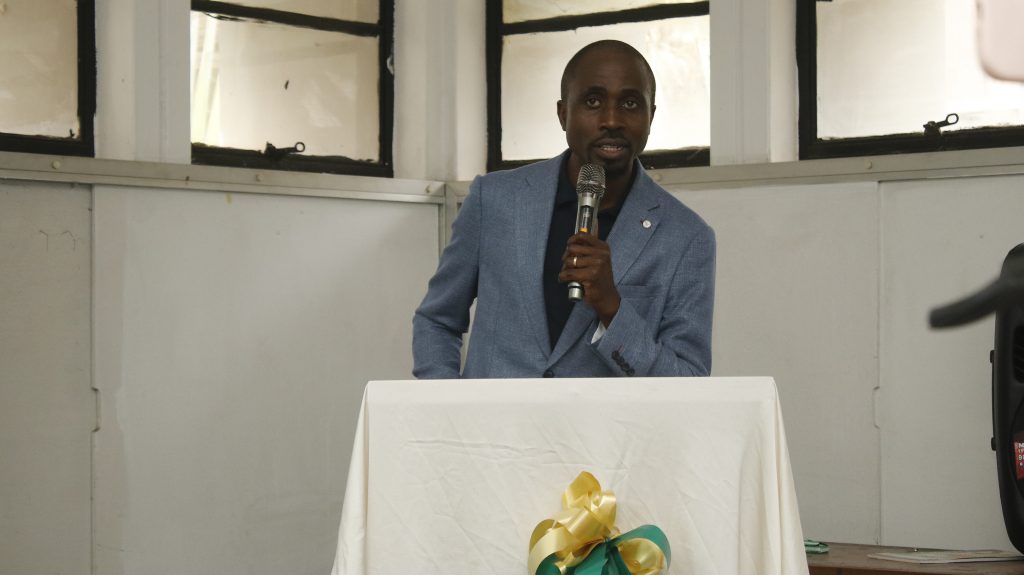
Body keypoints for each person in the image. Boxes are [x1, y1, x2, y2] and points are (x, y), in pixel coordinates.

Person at [412, 39, 715, 379]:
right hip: (490, 415)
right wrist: (448, 401)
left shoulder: (686, 237)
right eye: (593, 101)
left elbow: (688, 379)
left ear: (651, 117)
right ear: (563, 114)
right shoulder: (495, 200)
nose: (611, 120)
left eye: (630, 103)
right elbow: (437, 320)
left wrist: (612, 308)